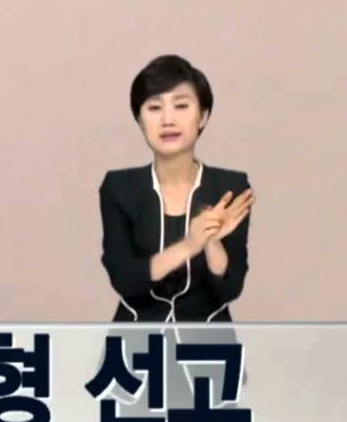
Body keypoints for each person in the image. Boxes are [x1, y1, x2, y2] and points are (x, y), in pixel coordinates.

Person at [99, 55, 255, 322]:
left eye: (181, 105)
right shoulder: (119, 188)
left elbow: (230, 289)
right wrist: (189, 245)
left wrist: (212, 241)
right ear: (139, 119)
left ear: (202, 116)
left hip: (208, 340)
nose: (168, 120)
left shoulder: (230, 188)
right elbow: (124, 279)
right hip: (136, 339)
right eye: (154, 107)